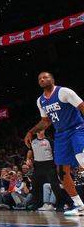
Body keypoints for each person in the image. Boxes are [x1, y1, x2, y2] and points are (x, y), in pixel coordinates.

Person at [24, 71, 84, 216]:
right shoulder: (41, 101)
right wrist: (31, 132)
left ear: (52, 79)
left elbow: (82, 107)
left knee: (81, 157)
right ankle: (80, 206)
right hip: (61, 134)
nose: (42, 79)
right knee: (62, 172)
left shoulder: (63, 92)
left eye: (45, 77)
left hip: (76, 128)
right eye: (39, 78)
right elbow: (46, 121)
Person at [27, 129, 67, 211]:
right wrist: (28, 158)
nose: (39, 132)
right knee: (35, 185)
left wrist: (58, 165)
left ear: (44, 131)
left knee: (55, 185)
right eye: (37, 131)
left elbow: (56, 152)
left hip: (49, 164)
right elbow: (30, 151)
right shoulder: (33, 141)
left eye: (41, 130)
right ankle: (36, 204)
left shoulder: (49, 140)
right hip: (38, 165)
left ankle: (60, 205)